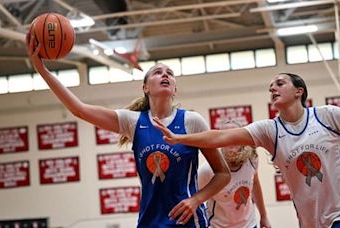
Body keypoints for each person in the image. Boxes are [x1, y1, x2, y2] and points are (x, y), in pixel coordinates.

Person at [26, 34, 230, 228]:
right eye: (158, 72)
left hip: (188, 220)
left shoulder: (192, 121)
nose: (165, 75)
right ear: (145, 88)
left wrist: (197, 199)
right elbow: (79, 109)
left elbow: (222, 173)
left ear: (175, 89)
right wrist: (41, 68)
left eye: (170, 73)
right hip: (150, 220)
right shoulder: (132, 121)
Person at [153, 72, 340, 228]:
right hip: (311, 220)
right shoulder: (269, 130)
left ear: (299, 91)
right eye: (270, 86)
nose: (272, 88)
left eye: (280, 83)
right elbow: (220, 136)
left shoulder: (327, 115)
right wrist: (179, 137)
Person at [198, 120, 271, 228]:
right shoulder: (207, 170)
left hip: (249, 225)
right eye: (226, 135)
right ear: (219, 141)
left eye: (235, 134)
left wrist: (264, 216)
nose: (231, 139)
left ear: (242, 139)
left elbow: (255, 183)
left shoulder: (252, 159)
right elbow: (194, 199)